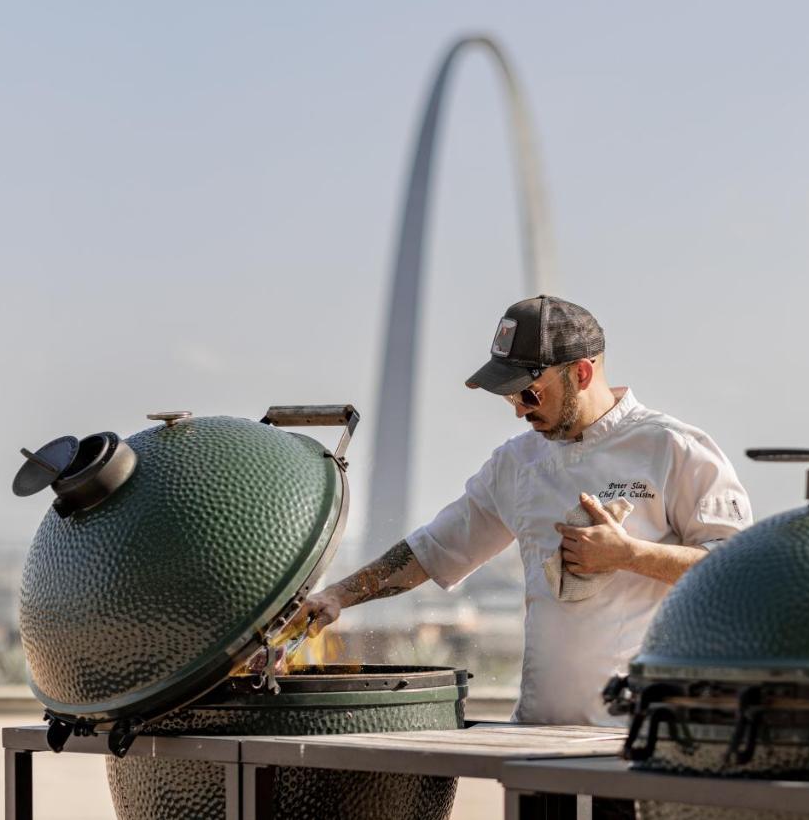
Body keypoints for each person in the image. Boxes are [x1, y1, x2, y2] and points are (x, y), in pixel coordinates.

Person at [303, 295, 753, 726]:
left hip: (637, 738)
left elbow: (738, 575)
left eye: (529, 394)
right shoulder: (516, 463)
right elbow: (432, 550)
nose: (518, 410)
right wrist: (338, 596)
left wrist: (629, 555)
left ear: (580, 372)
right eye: (509, 397)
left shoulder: (673, 448)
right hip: (537, 731)